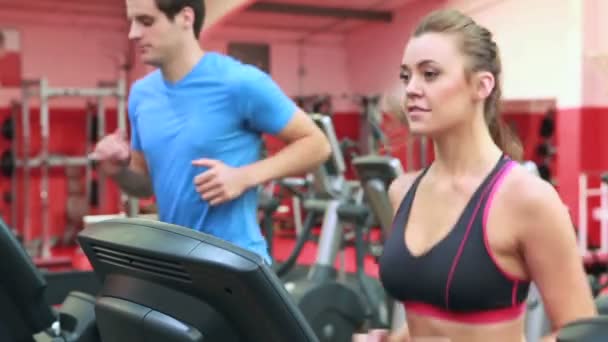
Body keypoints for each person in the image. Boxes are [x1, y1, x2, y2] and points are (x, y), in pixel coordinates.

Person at [353, 9, 596, 342]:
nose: (411, 88)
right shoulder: (403, 191)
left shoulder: (528, 199)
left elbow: (582, 335)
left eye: (430, 74)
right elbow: (434, 319)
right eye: (406, 76)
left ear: (482, 85)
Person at [91, 0, 331, 264]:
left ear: (185, 17)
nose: (133, 34)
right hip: (176, 262)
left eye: (146, 22)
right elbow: (145, 183)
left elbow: (317, 144)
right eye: (132, 22)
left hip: (235, 264)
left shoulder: (238, 82)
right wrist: (117, 170)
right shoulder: (141, 95)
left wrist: (244, 176)